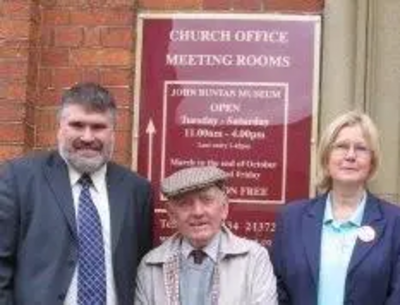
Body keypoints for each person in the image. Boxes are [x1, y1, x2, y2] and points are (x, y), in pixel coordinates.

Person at [0, 82, 153, 305]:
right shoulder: (20, 179)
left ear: (113, 132)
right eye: (77, 125)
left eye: (98, 127)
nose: (88, 137)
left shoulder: (136, 190)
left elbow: (142, 266)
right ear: (60, 127)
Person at [272, 110, 400, 305]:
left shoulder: (395, 222)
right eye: (341, 146)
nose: (350, 155)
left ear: (372, 161)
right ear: (326, 157)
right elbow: (277, 289)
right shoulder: (292, 218)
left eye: (361, 148)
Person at [134, 165, 278, 305]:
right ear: (172, 215)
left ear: (224, 208)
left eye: (207, 200)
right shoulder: (150, 266)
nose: (198, 212)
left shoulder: (254, 259)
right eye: (185, 203)